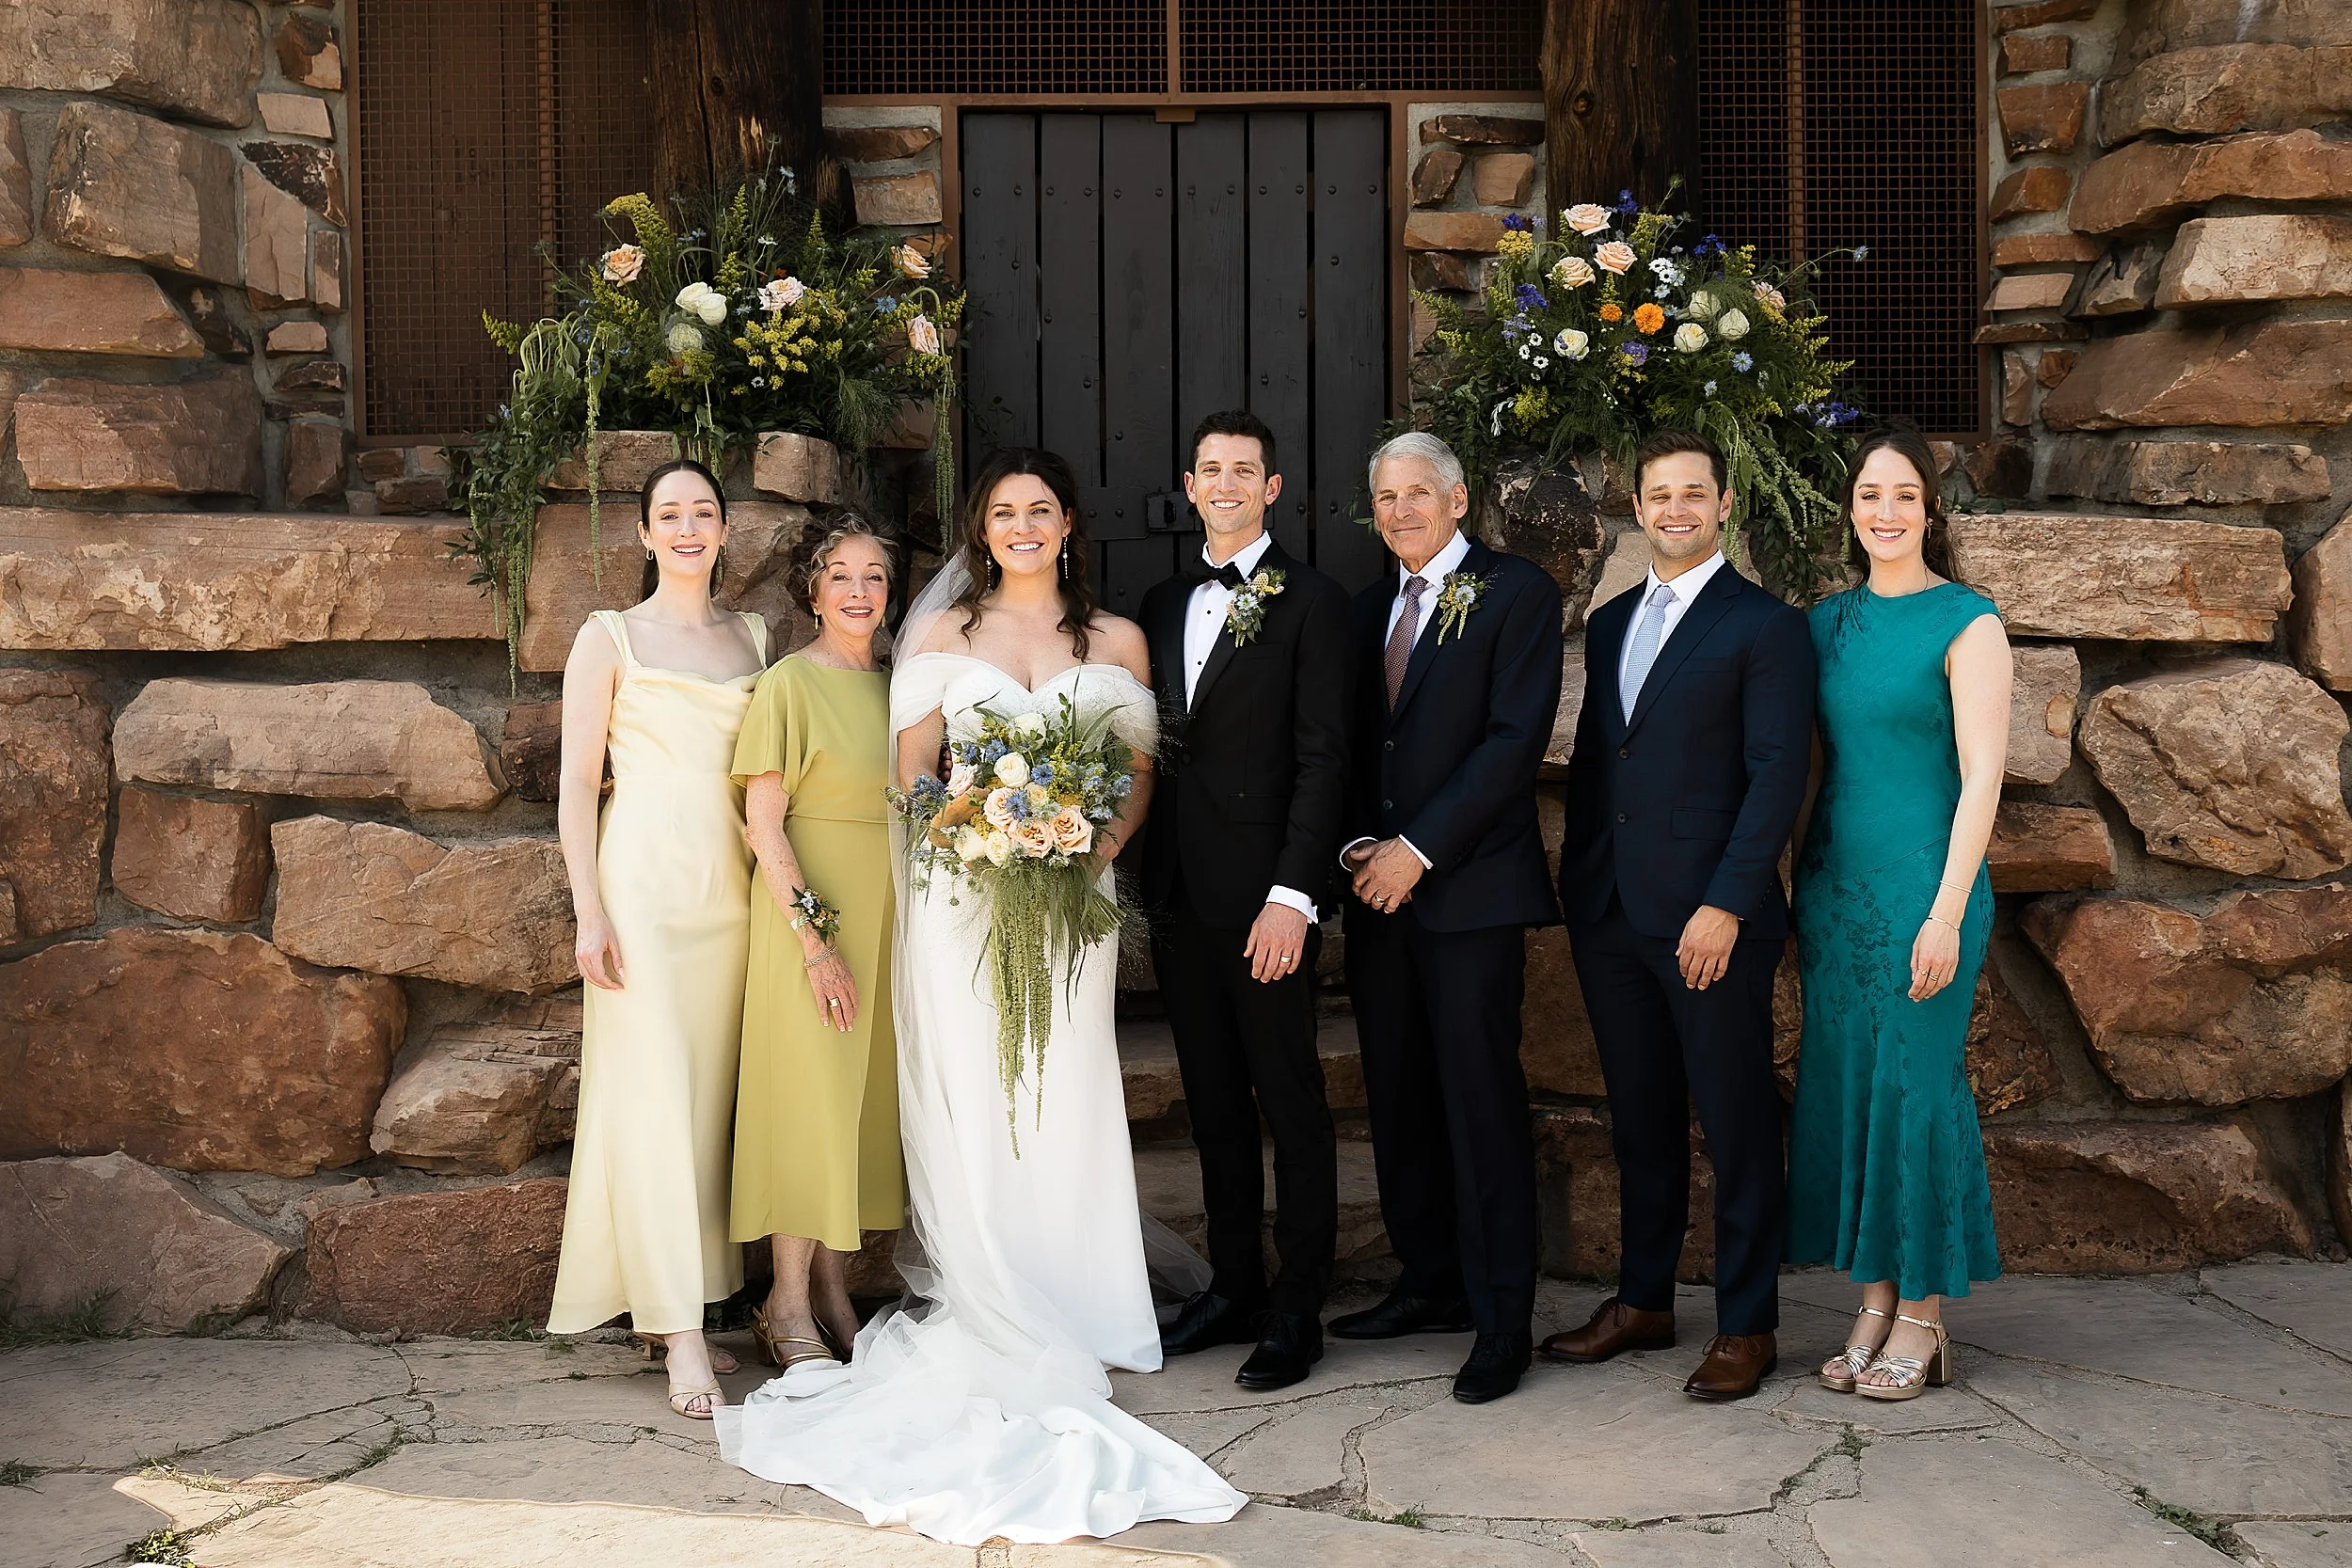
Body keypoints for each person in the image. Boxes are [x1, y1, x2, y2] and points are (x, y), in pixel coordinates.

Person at [717, 448, 1247, 1544]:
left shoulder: (1118, 640)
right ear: (982, 529)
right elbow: (912, 768)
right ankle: (989, 1283)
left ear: (1068, 523)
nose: (1022, 526)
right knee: (979, 1085)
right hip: (966, 892)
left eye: (1039, 509)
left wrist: (1085, 844)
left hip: (1075, 896)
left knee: (1065, 1084)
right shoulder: (945, 637)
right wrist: (984, 835)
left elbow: (1139, 769)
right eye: (1003, 512)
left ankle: (1083, 1293)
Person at [1545, 429, 1815, 1403]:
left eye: (1693, 493)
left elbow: (1776, 774)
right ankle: (1643, 1301)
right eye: (1659, 495)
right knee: (1640, 1119)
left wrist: (1726, 903)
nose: (1675, 509)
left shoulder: (1764, 626)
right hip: (1612, 912)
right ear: (1637, 508)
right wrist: (1583, 886)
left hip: (1711, 922)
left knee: (1735, 1123)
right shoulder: (1613, 619)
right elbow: (1603, 763)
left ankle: (1747, 1323)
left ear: (1724, 505)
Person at [1335, 430, 1563, 1406]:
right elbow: (1352, 747)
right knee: (1398, 1095)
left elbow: (1512, 742)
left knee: (1479, 1100)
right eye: (1385, 497)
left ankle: (1502, 1317)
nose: (1400, 511)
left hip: (1468, 893)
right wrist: (1358, 846)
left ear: (1458, 499)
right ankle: (1429, 1280)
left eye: (1417, 493)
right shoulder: (1364, 610)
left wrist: (1416, 849)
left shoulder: (1516, 593)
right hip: (1376, 897)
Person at [1787, 421, 2009, 1401]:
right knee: (1854, 1093)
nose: (1885, 511)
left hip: (1928, 889)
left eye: (1904, 495)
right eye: (1869, 494)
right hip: (1836, 893)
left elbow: (1983, 777)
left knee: (1916, 1089)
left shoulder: (1968, 621)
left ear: (1929, 510)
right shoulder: (1823, 624)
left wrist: (1946, 911)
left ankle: (1924, 1312)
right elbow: (1806, 768)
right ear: (1850, 509)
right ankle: (1873, 1300)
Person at [548, 459, 770, 1419]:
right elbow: (575, 785)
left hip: (733, 892)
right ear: (643, 533)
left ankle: (678, 1304)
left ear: (724, 530)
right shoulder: (607, 636)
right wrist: (588, 909)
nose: (687, 528)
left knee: (705, 1106)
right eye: (668, 514)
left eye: (703, 512)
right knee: (650, 1102)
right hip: (641, 888)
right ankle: (678, 1333)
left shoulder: (755, 636)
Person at [1140, 410, 1354, 1391]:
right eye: (1210, 468)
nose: (1225, 482)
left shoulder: (1313, 602)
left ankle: (1298, 1307)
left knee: (1291, 1103)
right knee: (1215, 1105)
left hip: (1268, 899)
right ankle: (1232, 1286)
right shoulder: (1159, 603)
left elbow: (1325, 760)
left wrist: (1293, 895)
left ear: (1271, 488)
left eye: (1244, 469)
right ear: (1190, 486)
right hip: (1180, 896)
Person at [730, 515, 907, 1374]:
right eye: (842, 575)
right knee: (809, 1105)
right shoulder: (789, 684)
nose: (859, 591)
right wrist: (814, 943)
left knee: (859, 1108)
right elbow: (764, 825)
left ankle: (835, 1288)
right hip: (812, 923)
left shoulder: (899, 688)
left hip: (886, 918)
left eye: (874, 576)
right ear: (813, 591)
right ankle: (786, 1301)